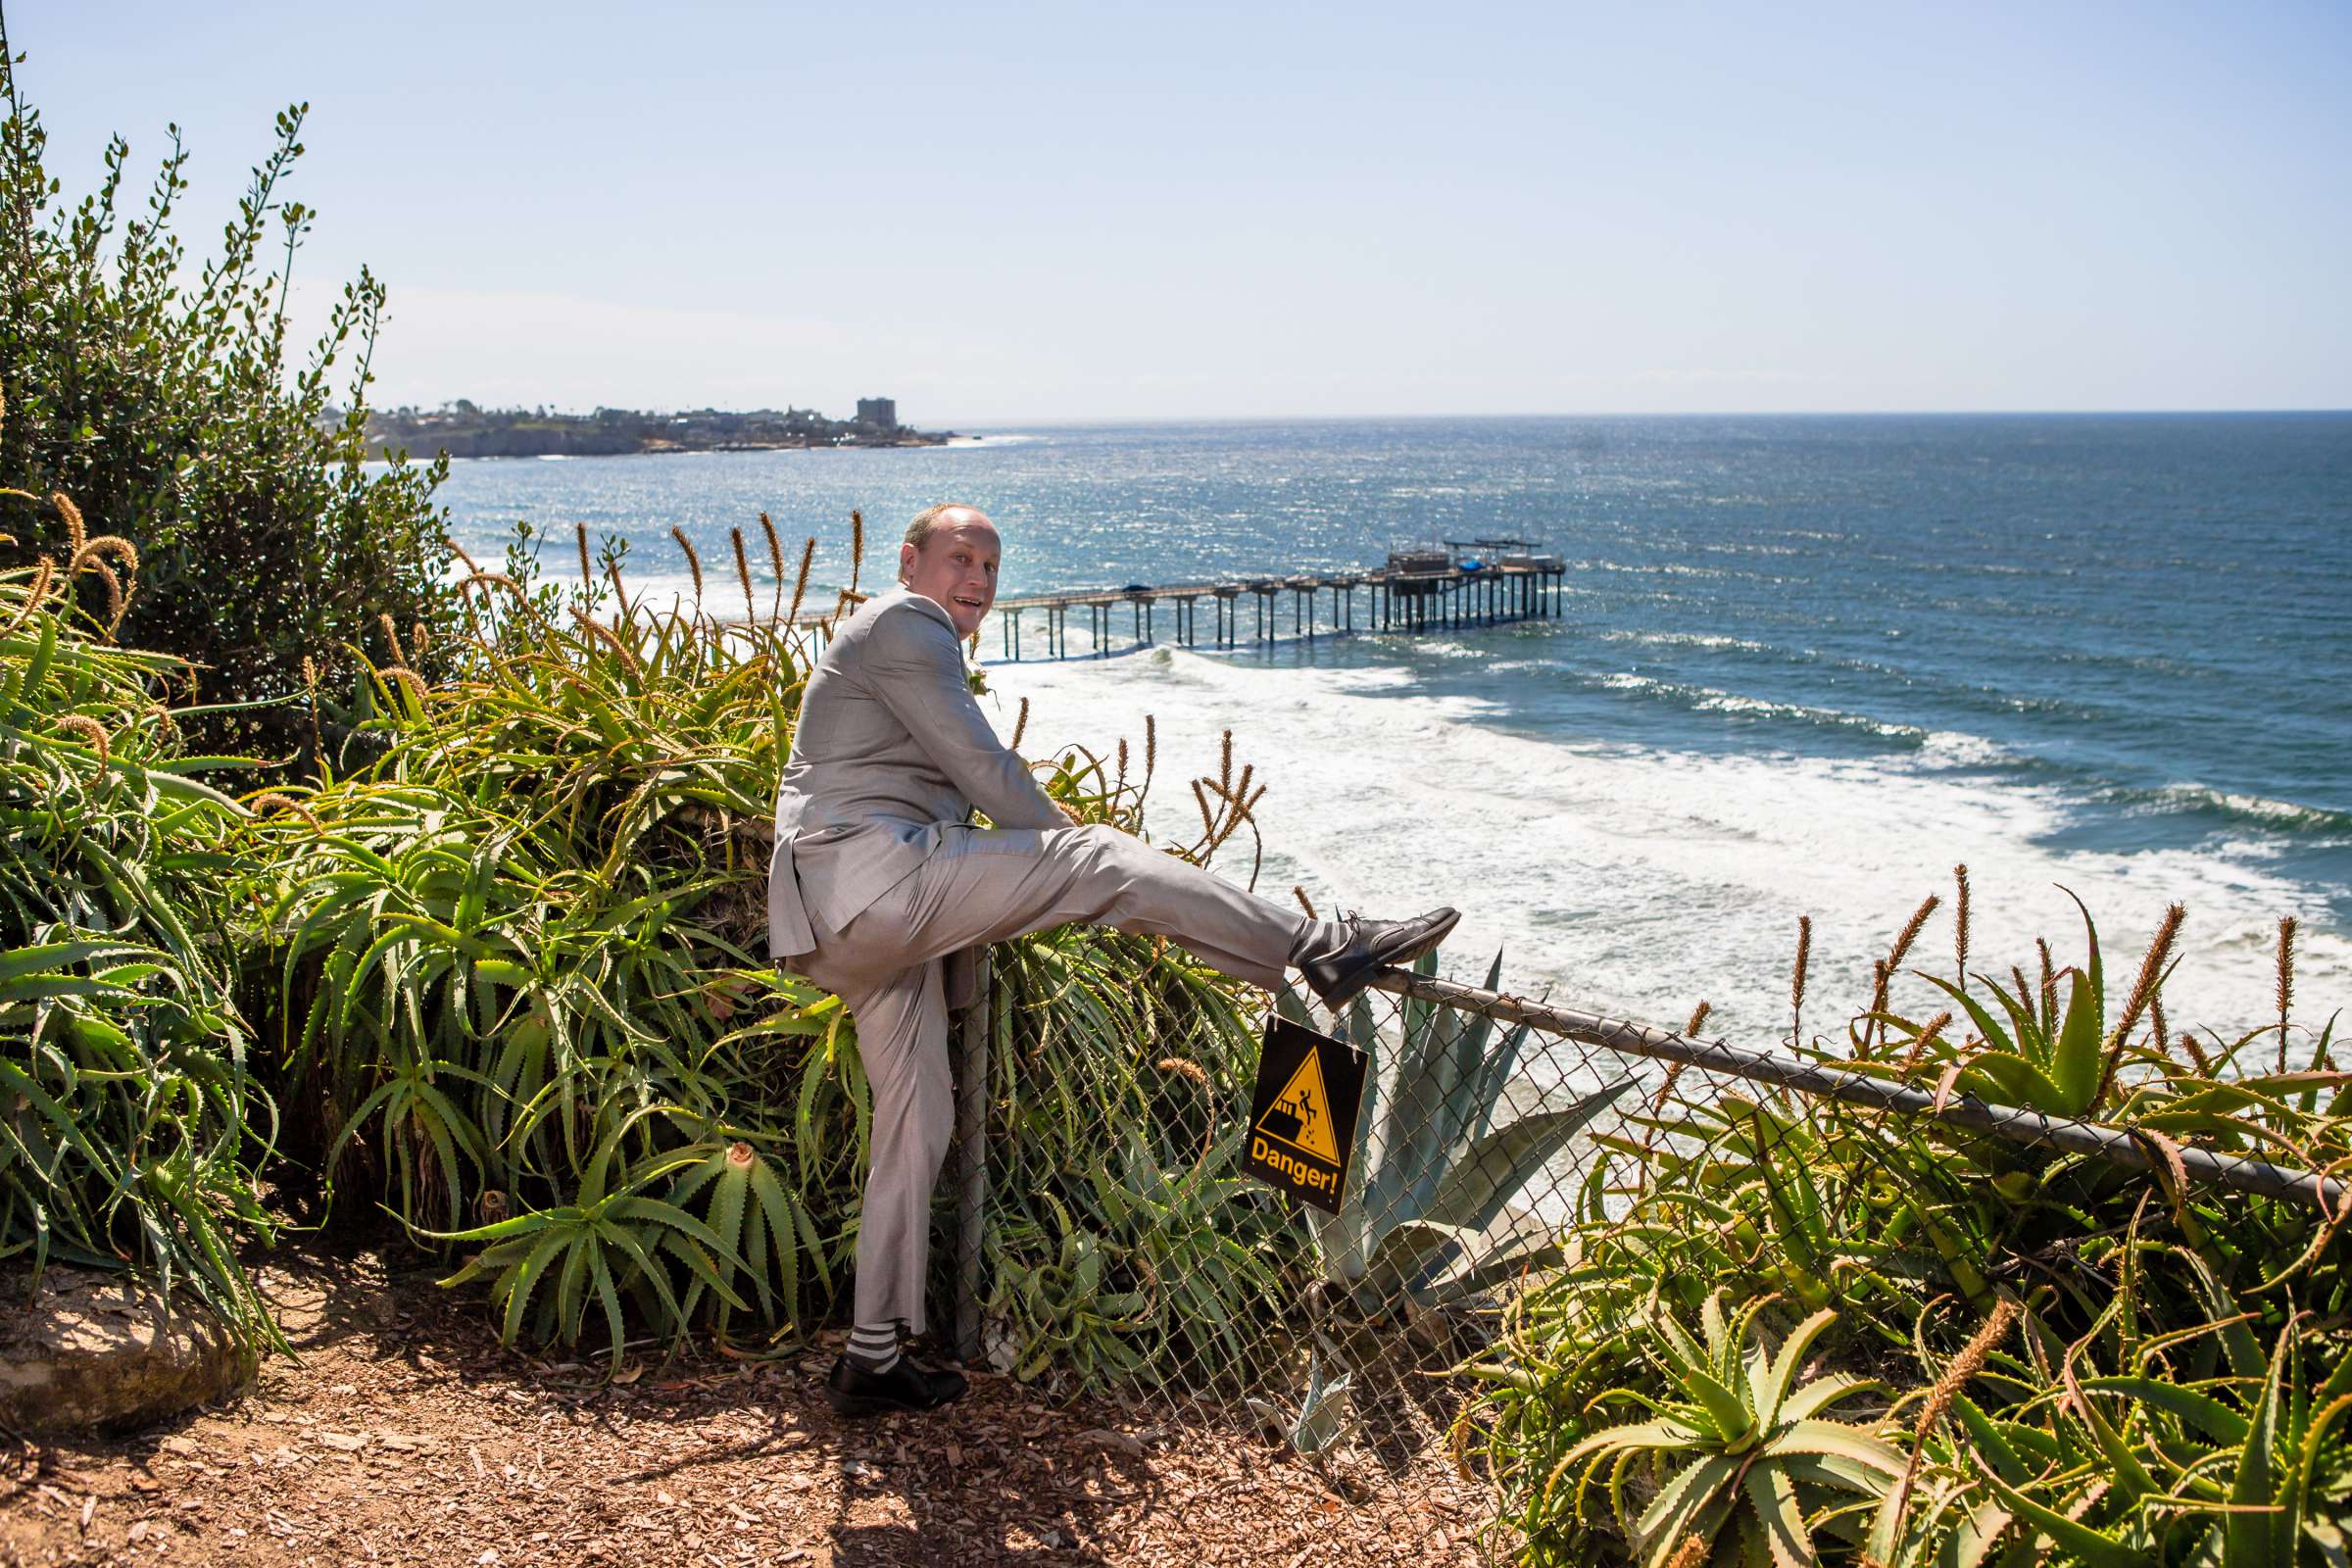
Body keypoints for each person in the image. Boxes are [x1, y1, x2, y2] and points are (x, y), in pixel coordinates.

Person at [768, 503, 1457, 1418]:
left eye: (991, 565)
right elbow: (987, 774)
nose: (975, 579)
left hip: (842, 913)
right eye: (959, 557)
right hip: (876, 882)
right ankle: (1319, 949)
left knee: (918, 1115)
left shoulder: (892, 633)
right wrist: (1076, 868)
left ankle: (872, 1355)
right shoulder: (906, 622)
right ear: (911, 562)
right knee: (1097, 858)